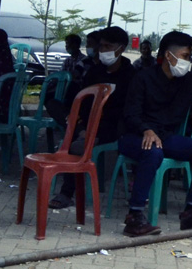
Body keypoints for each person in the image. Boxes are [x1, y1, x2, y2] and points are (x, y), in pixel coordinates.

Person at [119, 31, 192, 236]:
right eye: (185, 56)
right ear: (169, 56)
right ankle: (134, 217)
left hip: (166, 137)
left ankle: (191, 213)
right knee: (153, 152)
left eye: (190, 57)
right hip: (134, 136)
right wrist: (146, 129)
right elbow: (130, 114)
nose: (188, 61)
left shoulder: (189, 80)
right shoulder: (143, 77)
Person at [48, 26, 136, 209]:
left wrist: (94, 126)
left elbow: (127, 109)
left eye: (107, 46)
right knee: (56, 106)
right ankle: (79, 132)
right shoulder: (95, 72)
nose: (102, 50)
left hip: (111, 126)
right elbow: (82, 99)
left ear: (121, 48)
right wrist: (80, 123)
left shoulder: (131, 75)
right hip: (86, 122)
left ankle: (66, 192)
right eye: (101, 46)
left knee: (74, 145)